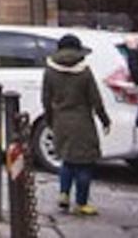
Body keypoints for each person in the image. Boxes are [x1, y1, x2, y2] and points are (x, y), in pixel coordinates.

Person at [43, 33, 110, 216]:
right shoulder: (84, 71)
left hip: (61, 121)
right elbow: (95, 100)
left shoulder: (49, 70)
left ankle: (64, 193)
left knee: (67, 161)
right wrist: (104, 120)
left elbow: (45, 99)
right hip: (82, 122)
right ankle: (81, 203)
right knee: (84, 164)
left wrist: (50, 121)